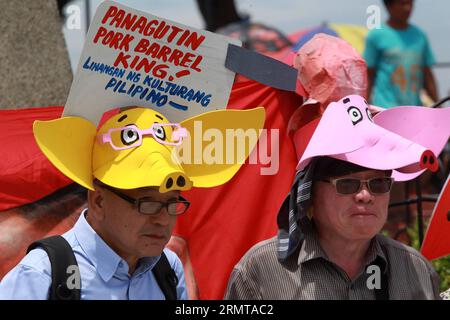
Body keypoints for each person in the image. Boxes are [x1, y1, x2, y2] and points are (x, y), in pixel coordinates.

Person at [0, 105, 264, 299]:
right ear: (99, 201)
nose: (163, 218)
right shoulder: (41, 274)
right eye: (147, 202)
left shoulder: (167, 268)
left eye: (172, 202)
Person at [224, 94, 442, 300]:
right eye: (347, 184)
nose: (365, 196)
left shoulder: (416, 272)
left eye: (379, 183)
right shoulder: (261, 271)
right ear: (310, 193)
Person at [364, 0, 438, 108]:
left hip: (415, 110)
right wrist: (363, 108)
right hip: (385, 110)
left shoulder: (419, 36)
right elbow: (368, 76)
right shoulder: (376, 36)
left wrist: (441, 107)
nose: (407, 8)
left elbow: (427, 75)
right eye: (402, 3)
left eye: (410, 3)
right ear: (389, 6)